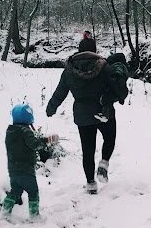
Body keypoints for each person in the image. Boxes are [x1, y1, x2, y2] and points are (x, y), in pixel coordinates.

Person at [46, 33, 128, 194]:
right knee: (109, 138)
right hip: (103, 110)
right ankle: (104, 164)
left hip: (82, 114)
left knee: (88, 149)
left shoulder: (69, 69)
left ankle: (91, 184)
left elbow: (60, 91)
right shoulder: (103, 66)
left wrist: (51, 106)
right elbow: (116, 87)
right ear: (94, 49)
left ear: (79, 49)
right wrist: (117, 95)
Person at [2, 104, 42, 219]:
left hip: (13, 168)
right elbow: (34, 144)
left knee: (16, 191)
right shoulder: (26, 131)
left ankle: (5, 212)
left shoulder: (10, 131)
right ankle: (34, 217)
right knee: (33, 191)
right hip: (26, 169)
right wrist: (46, 140)